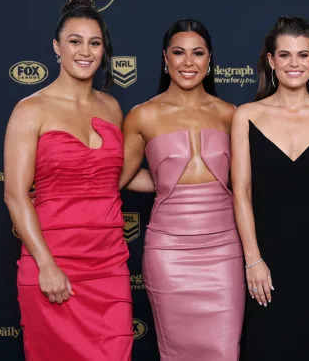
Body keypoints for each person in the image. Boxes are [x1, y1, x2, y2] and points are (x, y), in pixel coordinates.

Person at [4, 0, 134, 360]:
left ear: (103, 49)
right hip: (54, 260)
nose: (85, 51)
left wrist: (189, 178)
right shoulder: (30, 109)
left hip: (109, 264)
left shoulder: (111, 107)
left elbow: (109, 177)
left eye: (94, 42)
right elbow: (15, 195)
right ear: (56, 48)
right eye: (74, 41)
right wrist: (46, 265)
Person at [232, 16, 309, 360]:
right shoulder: (246, 116)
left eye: (302, 55)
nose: (294, 63)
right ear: (271, 61)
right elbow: (240, 192)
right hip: (268, 261)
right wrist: (252, 259)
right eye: (285, 55)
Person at [120, 19, 245, 361]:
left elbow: (246, 183)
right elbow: (120, 176)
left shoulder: (232, 115)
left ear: (209, 60)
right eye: (179, 52)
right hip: (169, 252)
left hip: (223, 249)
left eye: (198, 53)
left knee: (224, 351)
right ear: (165, 59)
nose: (188, 62)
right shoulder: (142, 116)